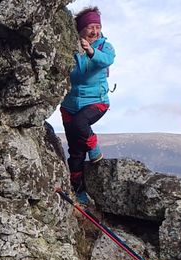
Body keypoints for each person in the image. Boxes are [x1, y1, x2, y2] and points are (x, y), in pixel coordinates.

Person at [60, 6, 115, 205]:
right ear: (81, 29)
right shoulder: (69, 46)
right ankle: (79, 191)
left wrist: (91, 51)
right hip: (70, 104)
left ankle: (94, 146)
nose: (95, 31)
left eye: (97, 27)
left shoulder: (105, 46)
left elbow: (107, 60)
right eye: (90, 27)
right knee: (75, 153)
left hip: (96, 101)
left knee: (80, 124)